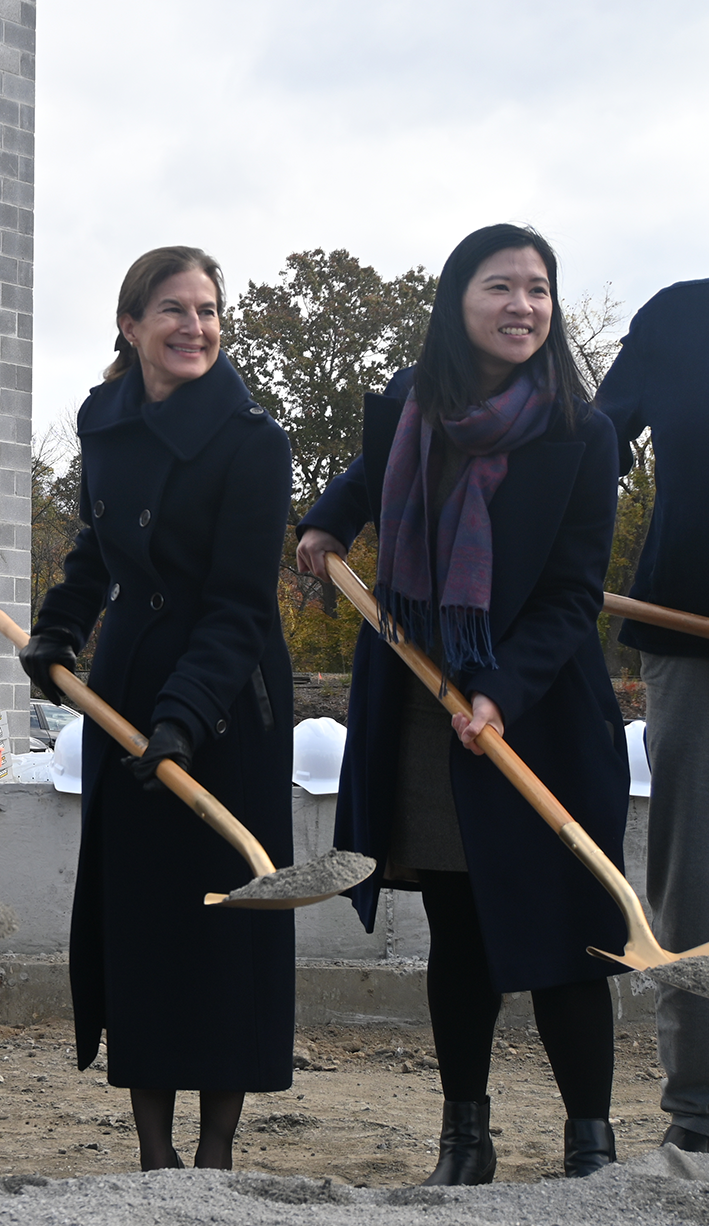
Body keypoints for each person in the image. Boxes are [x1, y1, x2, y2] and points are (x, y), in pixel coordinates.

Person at [297, 224, 628, 1182]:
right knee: (461, 930)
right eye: (501, 287)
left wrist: (498, 690)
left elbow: (573, 595)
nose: (523, 306)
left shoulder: (582, 432)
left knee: (573, 933)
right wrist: (327, 520)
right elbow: (366, 478)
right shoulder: (412, 404)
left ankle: (591, 1147)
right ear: (458, 302)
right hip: (419, 709)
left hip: (539, 712)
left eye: (538, 289)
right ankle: (465, 1141)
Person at [18, 247, 295, 1171]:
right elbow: (96, 555)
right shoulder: (105, 425)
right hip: (127, 695)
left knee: (222, 926)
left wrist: (186, 714)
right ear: (130, 327)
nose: (195, 326)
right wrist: (57, 634)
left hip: (227, 705)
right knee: (142, 919)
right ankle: (152, 1155)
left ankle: (214, 1155)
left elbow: (241, 602)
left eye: (209, 309)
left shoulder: (254, 442)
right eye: (173, 309)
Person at [595, 278, 709, 1154]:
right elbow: (593, 442)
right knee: (695, 880)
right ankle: (699, 1119)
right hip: (691, 635)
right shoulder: (679, 319)